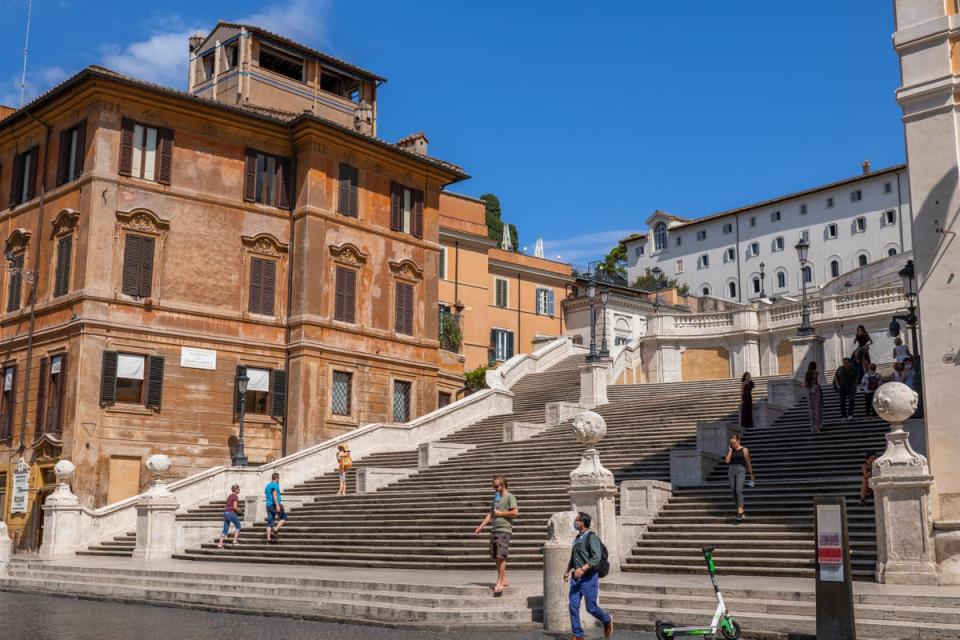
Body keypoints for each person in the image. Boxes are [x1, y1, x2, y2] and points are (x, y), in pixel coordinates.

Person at [563, 512, 613, 640]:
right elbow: (574, 557)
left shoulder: (591, 537)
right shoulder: (577, 537)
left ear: (582, 522)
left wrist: (583, 568)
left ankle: (607, 619)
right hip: (576, 578)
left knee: (591, 608)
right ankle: (578, 635)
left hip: (589, 578)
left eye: (577, 520)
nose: (575, 522)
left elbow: (596, 557)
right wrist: (568, 570)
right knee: (573, 606)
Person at [474, 475, 518, 595]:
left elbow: (515, 512)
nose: (494, 488)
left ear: (503, 485)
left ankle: (499, 582)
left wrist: (501, 513)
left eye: (496, 486)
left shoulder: (510, 497)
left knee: (501, 556)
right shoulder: (496, 498)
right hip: (495, 529)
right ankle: (504, 579)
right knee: (496, 556)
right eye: (493, 486)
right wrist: (481, 526)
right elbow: (491, 514)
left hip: (504, 529)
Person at [724, 433, 755, 523]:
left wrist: (751, 474)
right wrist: (729, 451)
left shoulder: (745, 450)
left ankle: (739, 512)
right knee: (733, 491)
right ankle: (740, 510)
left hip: (741, 469)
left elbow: (748, 462)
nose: (733, 444)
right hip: (731, 470)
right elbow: (727, 461)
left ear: (739, 441)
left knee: (738, 490)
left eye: (734, 442)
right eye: (731, 443)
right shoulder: (731, 450)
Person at [217, 484, 242, 549]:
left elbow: (226, 505)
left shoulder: (230, 496)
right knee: (238, 526)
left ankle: (220, 544)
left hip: (225, 513)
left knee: (225, 529)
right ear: (236, 490)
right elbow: (235, 507)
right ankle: (235, 541)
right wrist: (239, 510)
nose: (239, 490)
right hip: (231, 512)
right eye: (238, 489)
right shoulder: (235, 496)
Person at [833, 358, 858, 423]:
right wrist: (838, 385)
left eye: (847, 363)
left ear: (849, 363)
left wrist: (854, 385)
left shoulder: (853, 369)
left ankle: (850, 415)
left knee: (851, 400)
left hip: (850, 387)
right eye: (844, 363)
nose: (845, 364)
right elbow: (835, 377)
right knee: (842, 402)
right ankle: (843, 416)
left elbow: (856, 377)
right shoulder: (840, 369)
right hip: (842, 387)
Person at [264, 472, 288, 542]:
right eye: (278, 478)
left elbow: (267, 495)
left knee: (270, 522)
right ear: (277, 478)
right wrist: (277, 505)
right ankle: (275, 529)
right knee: (284, 517)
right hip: (274, 505)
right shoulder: (275, 485)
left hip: (268, 505)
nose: (279, 480)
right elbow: (274, 494)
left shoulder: (267, 486)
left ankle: (268, 539)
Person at [803, 361, 824, 433]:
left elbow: (804, 385)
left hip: (809, 393)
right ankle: (817, 426)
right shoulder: (817, 373)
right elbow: (820, 383)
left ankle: (812, 426)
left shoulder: (807, 374)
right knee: (817, 409)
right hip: (816, 392)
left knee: (811, 410)